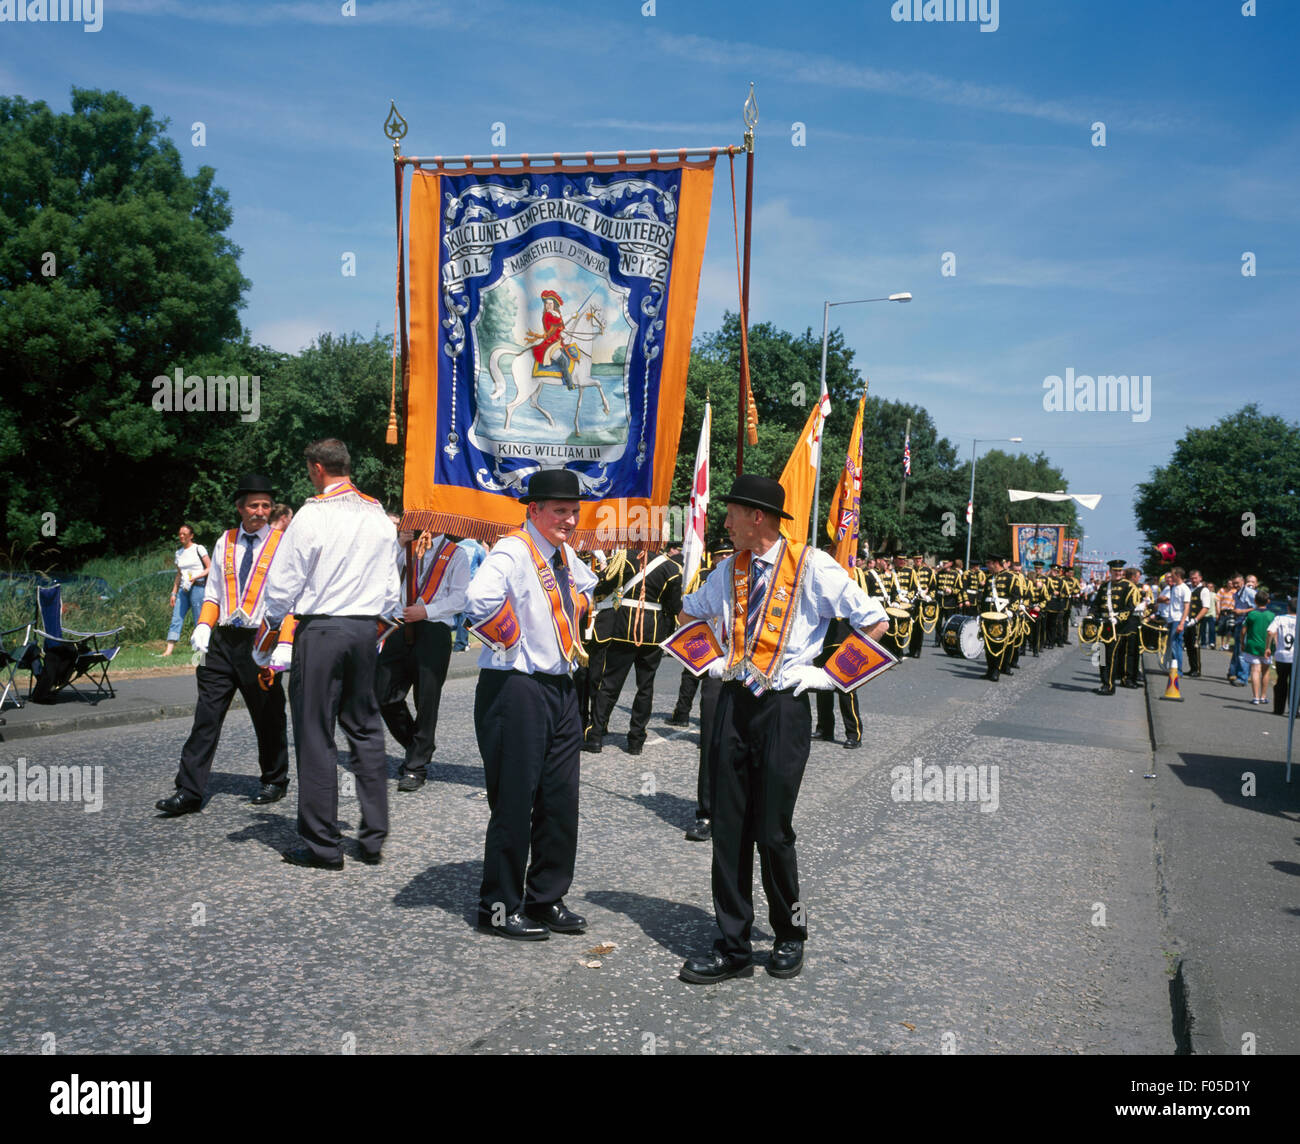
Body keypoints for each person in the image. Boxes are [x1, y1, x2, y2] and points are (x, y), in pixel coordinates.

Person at [675, 475, 888, 983]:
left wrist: (827, 675)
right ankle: (733, 945)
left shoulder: (812, 565)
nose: (724, 523)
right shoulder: (729, 570)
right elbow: (688, 613)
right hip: (733, 702)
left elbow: (874, 620)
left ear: (758, 518)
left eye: (731, 514)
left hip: (784, 706)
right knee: (728, 829)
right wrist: (710, 657)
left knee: (772, 829)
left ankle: (790, 933)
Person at [464, 468, 598, 940]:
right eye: (560, 511)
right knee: (515, 801)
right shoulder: (513, 549)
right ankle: (498, 908)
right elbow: (478, 598)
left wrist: (577, 605)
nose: (569, 519)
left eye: (573, 512)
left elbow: (585, 587)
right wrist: (513, 641)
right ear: (534, 510)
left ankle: (546, 897)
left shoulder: (563, 553)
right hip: (516, 688)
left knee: (561, 799)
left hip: (561, 687)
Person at [262, 439, 402, 870]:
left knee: (314, 732)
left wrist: (270, 626)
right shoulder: (378, 516)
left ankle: (323, 844)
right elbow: (391, 589)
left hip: (321, 628)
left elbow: (284, 581)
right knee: (364, 727)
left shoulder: (314, 513)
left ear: (318, 468)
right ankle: (374, 833)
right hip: (363, 627)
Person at [153, 476, 291, 817]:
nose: (260, 511)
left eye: (265, 505)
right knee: (206, 715)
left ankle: (274, 778)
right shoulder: (224, 541)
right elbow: (214, 591)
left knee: (267, 713)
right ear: (240, 507)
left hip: (262, 640)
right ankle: (189, 790)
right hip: (223, 641)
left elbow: (292, 600)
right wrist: (203, 624)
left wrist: (285, 642)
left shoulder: (283, 544)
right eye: (253, 505)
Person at [376, 528, 472, 792]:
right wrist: (399, 543)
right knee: (384, 693)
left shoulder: (456, 554)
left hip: (433, 628)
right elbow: (382, 575)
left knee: (426, 699)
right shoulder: (408, 547)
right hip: (400, 624)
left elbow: (460, 597)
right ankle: (417, 746)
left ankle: (415, 766)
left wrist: (426, 610)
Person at [584, 544, 683, 755]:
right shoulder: (673, 568)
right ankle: (636, 740)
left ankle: (595, 736)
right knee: (645, 687)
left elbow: (603, 587)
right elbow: (673, 606)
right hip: (653, 633)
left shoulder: (625, 558)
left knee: (609, 683)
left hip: (623, 628)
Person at [1089, 559, 1140, 695]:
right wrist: (1091, 615)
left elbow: (1130, 608)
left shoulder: (1129, 587)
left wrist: (1117, 619)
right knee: (1102, 655)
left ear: (1122, 571)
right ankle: (1104, 683)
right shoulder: (1105, 586)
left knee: (1110, 655)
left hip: (1117, 626)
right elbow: (1096, 604)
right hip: (1103, 625)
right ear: (1110, 571)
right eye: (1115, 571)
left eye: (1119, 571)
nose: (1117, 573)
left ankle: (1109, 686)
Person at [164, 524, 211, 656]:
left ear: (191, 536)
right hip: (183, 589)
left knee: (199, 618)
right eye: (180, 534)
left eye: (184, 534)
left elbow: (209, 567)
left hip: (198, 587)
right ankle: (168, 650)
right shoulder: (178, 553)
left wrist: (196, 576)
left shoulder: (198, 548)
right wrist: (173, 592)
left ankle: (200, 651)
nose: (181, 536)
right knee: (176, 618)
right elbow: (179, 574)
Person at [530, 289, 576, 390]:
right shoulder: (548, 315)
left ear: (554, 305)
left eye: (550, 304)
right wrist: (569, 317)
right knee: (563, 360)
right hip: (550, 343)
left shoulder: (555, 314)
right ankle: (569, 383)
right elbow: (557, 325)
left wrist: (572, 316)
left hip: (556, 341)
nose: (548, 306)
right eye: (546, 304)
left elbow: (561, 322)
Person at [1155, 566, 1191, 675]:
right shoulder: (1174, 587)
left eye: (1173, 574)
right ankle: (1173, 667)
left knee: (1176, 645)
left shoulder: (1185, 589)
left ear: (1178, 575)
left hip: (1178, 619)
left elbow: (1186, 607)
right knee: (1172, 645)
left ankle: (1178, 670)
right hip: (1171, 619)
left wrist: (1181, 623)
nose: (1171, 577)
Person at [1241, 589, 1274, 706]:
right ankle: (1264, 696)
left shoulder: (1251, 614)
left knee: (1255, 670)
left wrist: (1242, 642)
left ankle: (1255, 697)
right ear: (1268, 601)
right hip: (1266, 647)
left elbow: (1243, 630)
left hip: (1253, 644)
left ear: (1255, 601)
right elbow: (1274, 632)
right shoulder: (1272, 615)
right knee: (1265, 671)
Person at [1266, 598, 1296, 716]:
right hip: (1296, 656)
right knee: (1295, 683)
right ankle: (1294, 709)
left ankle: (1278, 709)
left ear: (1288, 608)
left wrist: (1268, 647)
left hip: (1282, 655)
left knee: (1281, 681)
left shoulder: (1280, 618)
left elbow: (1270, 631)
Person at [1183, 570, 1213, 677]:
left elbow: (1205, 607)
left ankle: (1197, 669)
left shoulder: (1203, 590)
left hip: (1197, 622)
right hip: (1186, 620)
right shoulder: (1187, 588)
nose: (1193, 580)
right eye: (1192, 578)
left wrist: (1195, 620)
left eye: (1195, 578)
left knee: (1195, 645)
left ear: (1200, 578)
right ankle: (1192, 667)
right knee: (1188, 644)